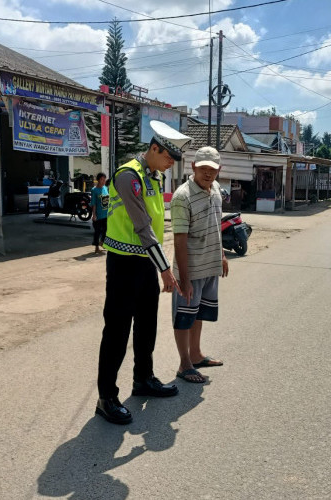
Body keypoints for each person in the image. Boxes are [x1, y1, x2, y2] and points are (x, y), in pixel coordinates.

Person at [95, 120, 191, 425]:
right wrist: (166, 269)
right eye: (167, 158)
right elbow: (142, 227)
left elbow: (159, 223)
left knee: (147, 325)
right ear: (153, 148)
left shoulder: (154, 177)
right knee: (117, 331)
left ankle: (143, 378)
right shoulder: (128, 176)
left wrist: (158, 265)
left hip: (146, 264)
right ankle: (106, 397)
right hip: (123, 264)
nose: (169, 165)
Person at [170, 146, 228, 383]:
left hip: (210, 265)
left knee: (198, 314)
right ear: (193, 167)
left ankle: (196, 355)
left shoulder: (215, 190)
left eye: (212, 169)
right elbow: (179, 240)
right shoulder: (182, 196)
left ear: (219, 170)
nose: (208, 173)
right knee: (184, 316)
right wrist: (184, 279)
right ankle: (184, 364)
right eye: (203, 168)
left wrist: (222, 255)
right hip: (190, 270)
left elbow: (216, 226)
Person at [90, 172, 109, 253]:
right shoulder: (94, 190)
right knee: (97, 231)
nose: (103, 181)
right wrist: (94, 215)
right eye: (102, 179)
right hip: (98, 214)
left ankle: (102, 242)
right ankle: (96, 247)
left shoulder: (105, 188)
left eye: (104, 179)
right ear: (98, 180)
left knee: (106, 230)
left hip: (106, 214)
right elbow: (93, 203)